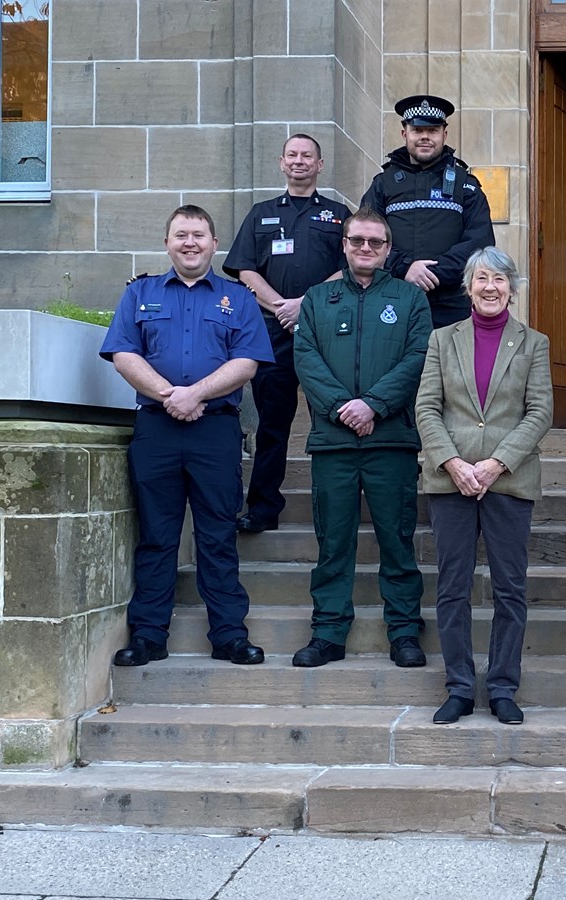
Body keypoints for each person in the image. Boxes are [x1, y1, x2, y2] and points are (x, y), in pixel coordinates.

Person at [100, 205, 273, 667]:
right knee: (157, 535)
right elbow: (122, 353)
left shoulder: (237, 299)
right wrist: (168, 395)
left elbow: (247, 362)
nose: (190, 242)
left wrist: (193, 394)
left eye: (199, 234)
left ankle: (230, 636)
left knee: (217, 535)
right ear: (167, 244)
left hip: (215, 430)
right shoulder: (141, 293)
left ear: (215, 244)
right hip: (156, 429)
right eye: (181, 235)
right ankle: (149, 636)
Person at [415, 247, 554, 726]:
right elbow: (427, 408)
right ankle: (457, 686)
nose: (490, 287)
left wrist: (496, 464)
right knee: (452, 588)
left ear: (511, 288)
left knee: (510, 589)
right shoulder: (441, 340)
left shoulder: (534, 342)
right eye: (481, 279)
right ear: (468, 287)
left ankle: (501, 687)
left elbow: (540, 412)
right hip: (449, 480)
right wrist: (453, 463)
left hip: (508, 481)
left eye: (498, 279)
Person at [290, 208, 433, 668]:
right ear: (345, 244)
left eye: (376, 242)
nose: (366, 249)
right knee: (333, 541)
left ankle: (405, 632)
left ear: (388, 249)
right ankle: (328, 633)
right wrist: (341, 408)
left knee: (397, 540)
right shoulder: (317, 298)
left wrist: (373, 404)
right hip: (333, 442)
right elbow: (306, 358)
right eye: (358, 241)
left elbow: (418, 359)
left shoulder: (410, 299)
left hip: (390, 440)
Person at [223, 134, 352, 533]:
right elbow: (244, 269)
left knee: (330, 420)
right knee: (272, 424)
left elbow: (351, 267)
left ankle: (335, 506)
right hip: (273, 330)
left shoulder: (337, 215)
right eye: (292, 155)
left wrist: (305, 305)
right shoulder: (261, 213)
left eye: (307, 156)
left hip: (325, 332)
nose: (299, 161)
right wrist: (281, 306)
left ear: (320, 164)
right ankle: (263, 508)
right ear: (282, 163)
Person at [360, 95, 495, 329]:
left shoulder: (466, 184)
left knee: (451, 366)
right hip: (392, 299)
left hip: (452, 305)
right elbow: (364, 238)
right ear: (405, 134)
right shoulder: (383, 184)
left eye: (432, 130)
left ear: (444, 134)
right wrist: (406, 268)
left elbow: (479, 243)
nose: (424, 137)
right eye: (417, 129)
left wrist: (431, 273)